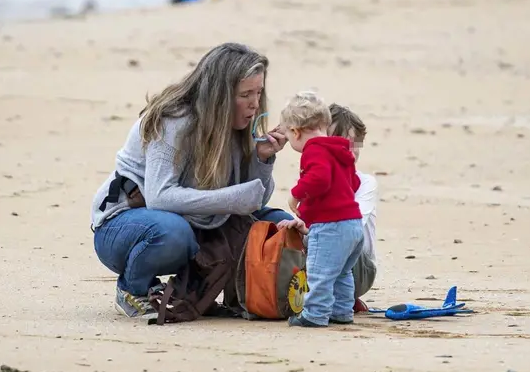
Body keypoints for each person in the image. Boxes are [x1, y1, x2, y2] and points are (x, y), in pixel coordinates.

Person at [90, 42, 291, 318]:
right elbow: (160, 197)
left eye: (258, 92)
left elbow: (255, 198)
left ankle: (240, 294)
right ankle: (132, 288)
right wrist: (232, 200)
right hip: (125, 224)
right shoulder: (174, 120)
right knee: (173, 233)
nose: (255, 104)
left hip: (197, 221)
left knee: (277, 223)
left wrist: (263, 161)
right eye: (245, 94)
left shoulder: (238, 125)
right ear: (219, 96)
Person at [280, 91, 363, 327]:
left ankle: (315, 314)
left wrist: (296, 195)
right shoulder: (340, 150)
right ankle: (341, 311)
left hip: (332, 226)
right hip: (353, 223)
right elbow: (353, 183)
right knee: (342, 273)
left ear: (296, 132)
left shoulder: (314, 150)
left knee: (320, 273)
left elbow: (319, 179)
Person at [327, 104, 379, 310]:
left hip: (359, 267)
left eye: (352, 145)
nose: (346, 151)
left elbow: (350, 227)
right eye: (336, 143)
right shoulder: (313, 179)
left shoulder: (365, 183)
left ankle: (343, 296)